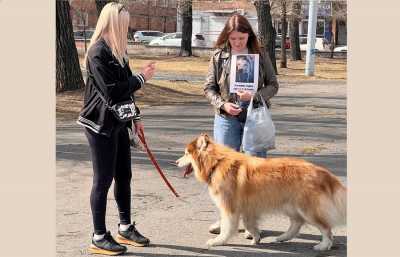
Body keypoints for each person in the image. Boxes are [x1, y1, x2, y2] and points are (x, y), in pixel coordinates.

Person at [77, 3, 156, 255]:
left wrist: (136, 119)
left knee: (124, 175)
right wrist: (142, 78)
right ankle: (98, 236)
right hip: (99, 125)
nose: (128, 27)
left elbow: (127, 92)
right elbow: (112, 91)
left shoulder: (119, 51)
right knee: (103, 180)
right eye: (124, 23)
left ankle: (125, 226)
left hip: (119, 122)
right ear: (112, 23)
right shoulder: (97, 52)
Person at [203, 14, 279, 234]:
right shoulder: (219, 56)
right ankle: (226, 218)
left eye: (241, 38)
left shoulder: (260, 54)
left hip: (255, 115)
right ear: (227, 36)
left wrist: (255, 96)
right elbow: (208, 88)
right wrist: (223, 105)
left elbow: (274, 85)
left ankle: (251, 223)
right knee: (224, 172)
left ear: (249, 35)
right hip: (227, 116)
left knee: (255, 172)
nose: (237, 43)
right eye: (233, 38)